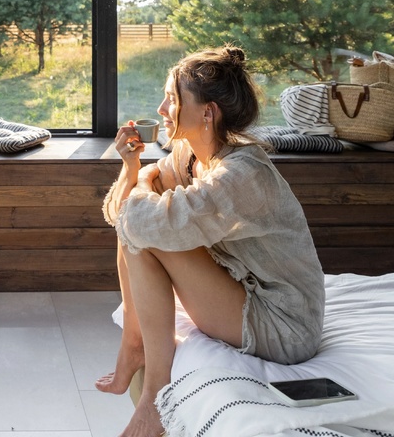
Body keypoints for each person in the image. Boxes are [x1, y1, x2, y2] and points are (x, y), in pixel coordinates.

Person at [97, 46, 325, 437]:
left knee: (145, 231)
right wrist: (132, 168)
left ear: (208, 112)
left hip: (282, 323)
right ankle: (134, 345)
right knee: (143, 226)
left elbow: (134, 220)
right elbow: (121, 215)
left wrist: (145, 185)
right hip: (241, 287)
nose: (161, 108)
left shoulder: (242, 176)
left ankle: (155, 391)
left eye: (172, 99)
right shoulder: (189, 154)